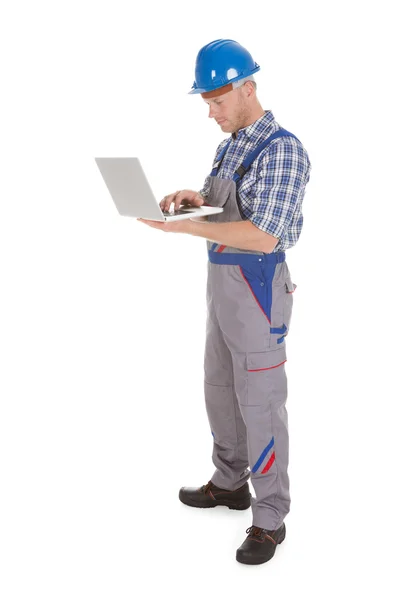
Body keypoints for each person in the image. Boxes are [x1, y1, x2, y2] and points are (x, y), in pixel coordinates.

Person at [138, 38, 311, 565]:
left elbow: (263, 234)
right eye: (205, 102)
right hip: (222, 288)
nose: (210, 112)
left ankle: (270, 517)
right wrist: (193, 202)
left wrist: (179, 232)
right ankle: (230, 482)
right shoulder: (231, 144)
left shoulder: (282, 148)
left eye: (216, 100)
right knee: (219, 389)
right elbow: (224, 210)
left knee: (260, 402)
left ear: (248, 87)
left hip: (258, 290)